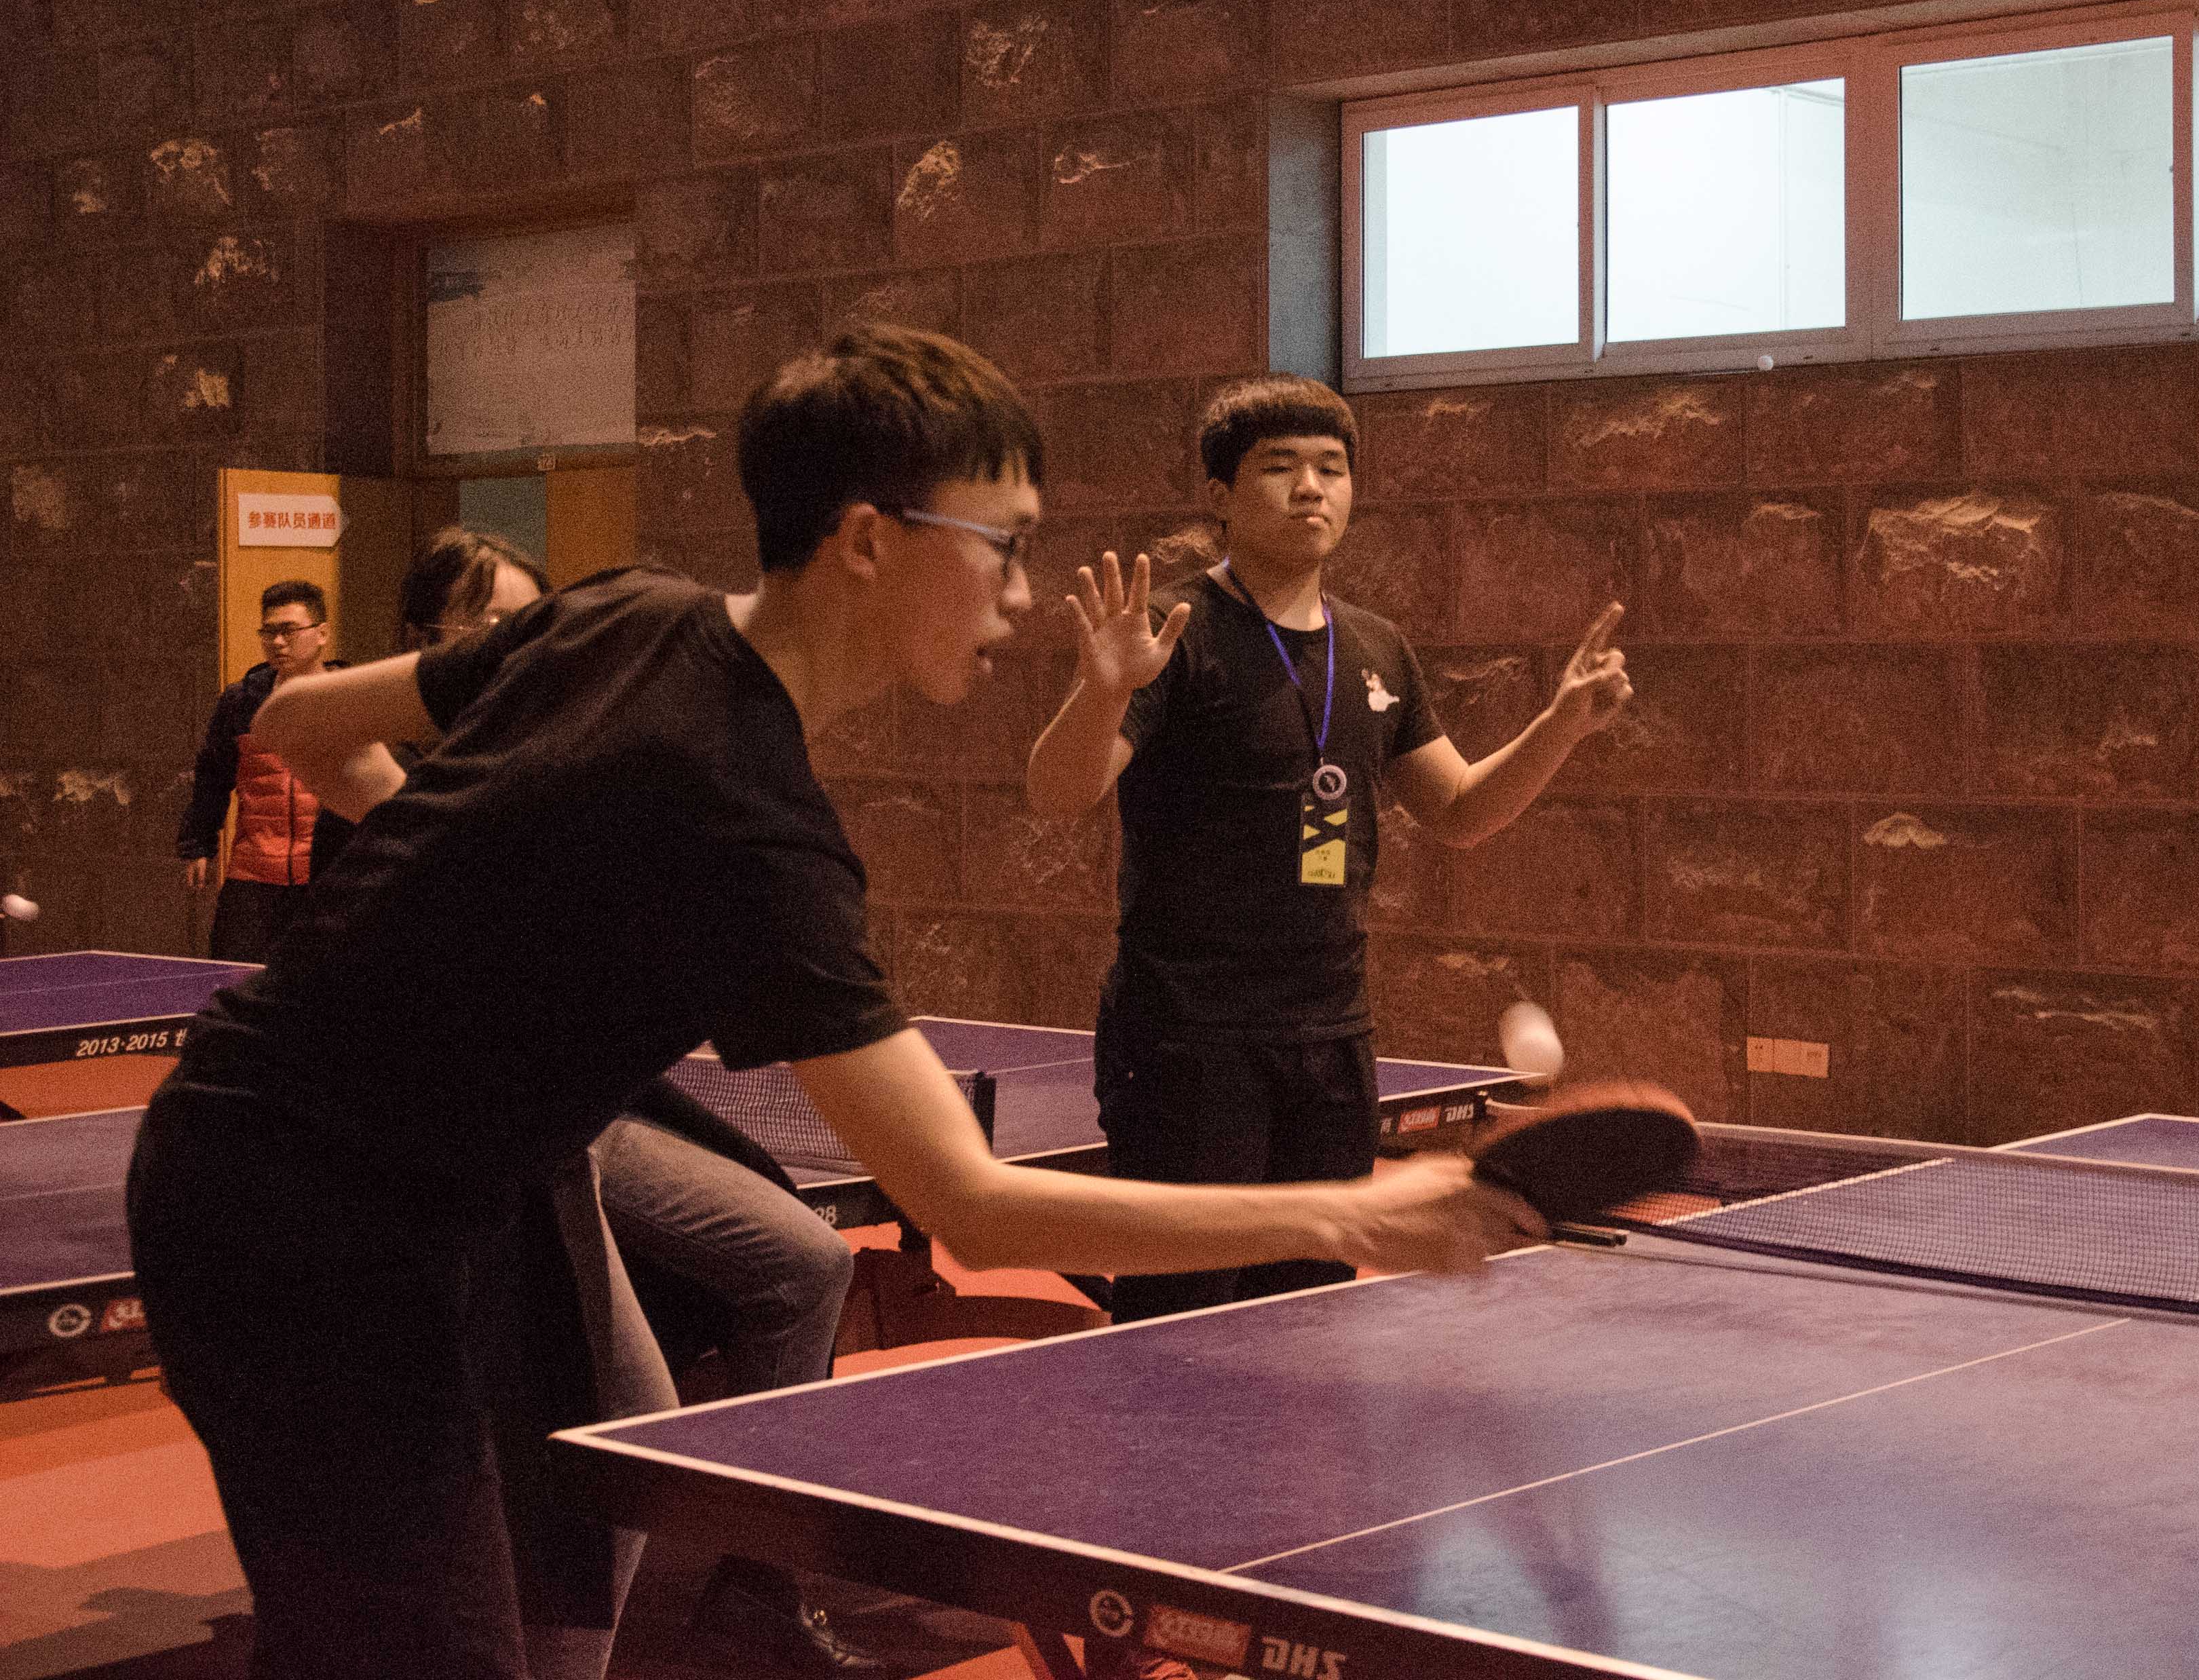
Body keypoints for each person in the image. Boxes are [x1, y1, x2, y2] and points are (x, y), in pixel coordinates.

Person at [126, 328, 1541, 1680]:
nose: (1022, 597)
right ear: (868, 540)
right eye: (1002, 546)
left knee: (571, 1527)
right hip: (296, 1205)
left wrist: (481, 901)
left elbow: (301, 725)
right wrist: (1353, 1214)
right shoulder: (756, 834)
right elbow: (974, 1206)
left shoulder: (629, 611)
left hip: (456, 1187)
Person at [1025, 374, 1632, 1322]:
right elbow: (1057, 792)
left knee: (1312, 1314)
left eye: (1331, 468)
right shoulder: (1172, 633)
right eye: (1280, 467)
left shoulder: (1377, 648)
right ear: (1221, 495)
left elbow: (1459, 809)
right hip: (1189, 1040)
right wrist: (1103, 690)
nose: (1311, 487)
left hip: (1331, 1037)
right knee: (1181, 1315)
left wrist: (1558, 727)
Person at [399, 528, 882, 1673]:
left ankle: (755, 1575)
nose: (515, 646)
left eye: (530, 622)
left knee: (807, 1261)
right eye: (487, 625)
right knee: (620, 1420)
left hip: (597, 1112)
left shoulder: (587, 763)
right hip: (478, 1140)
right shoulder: (416, 790)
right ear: (430, 642)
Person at [178, 578, 351, 960]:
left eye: (289, 631)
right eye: (269, 632)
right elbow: (212, 776)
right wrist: (198, 844)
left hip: (326, 876)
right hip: (253, 875)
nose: (278, 642)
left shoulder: (350, 697)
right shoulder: (242, 701)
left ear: (322, 634)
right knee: (232, 978)